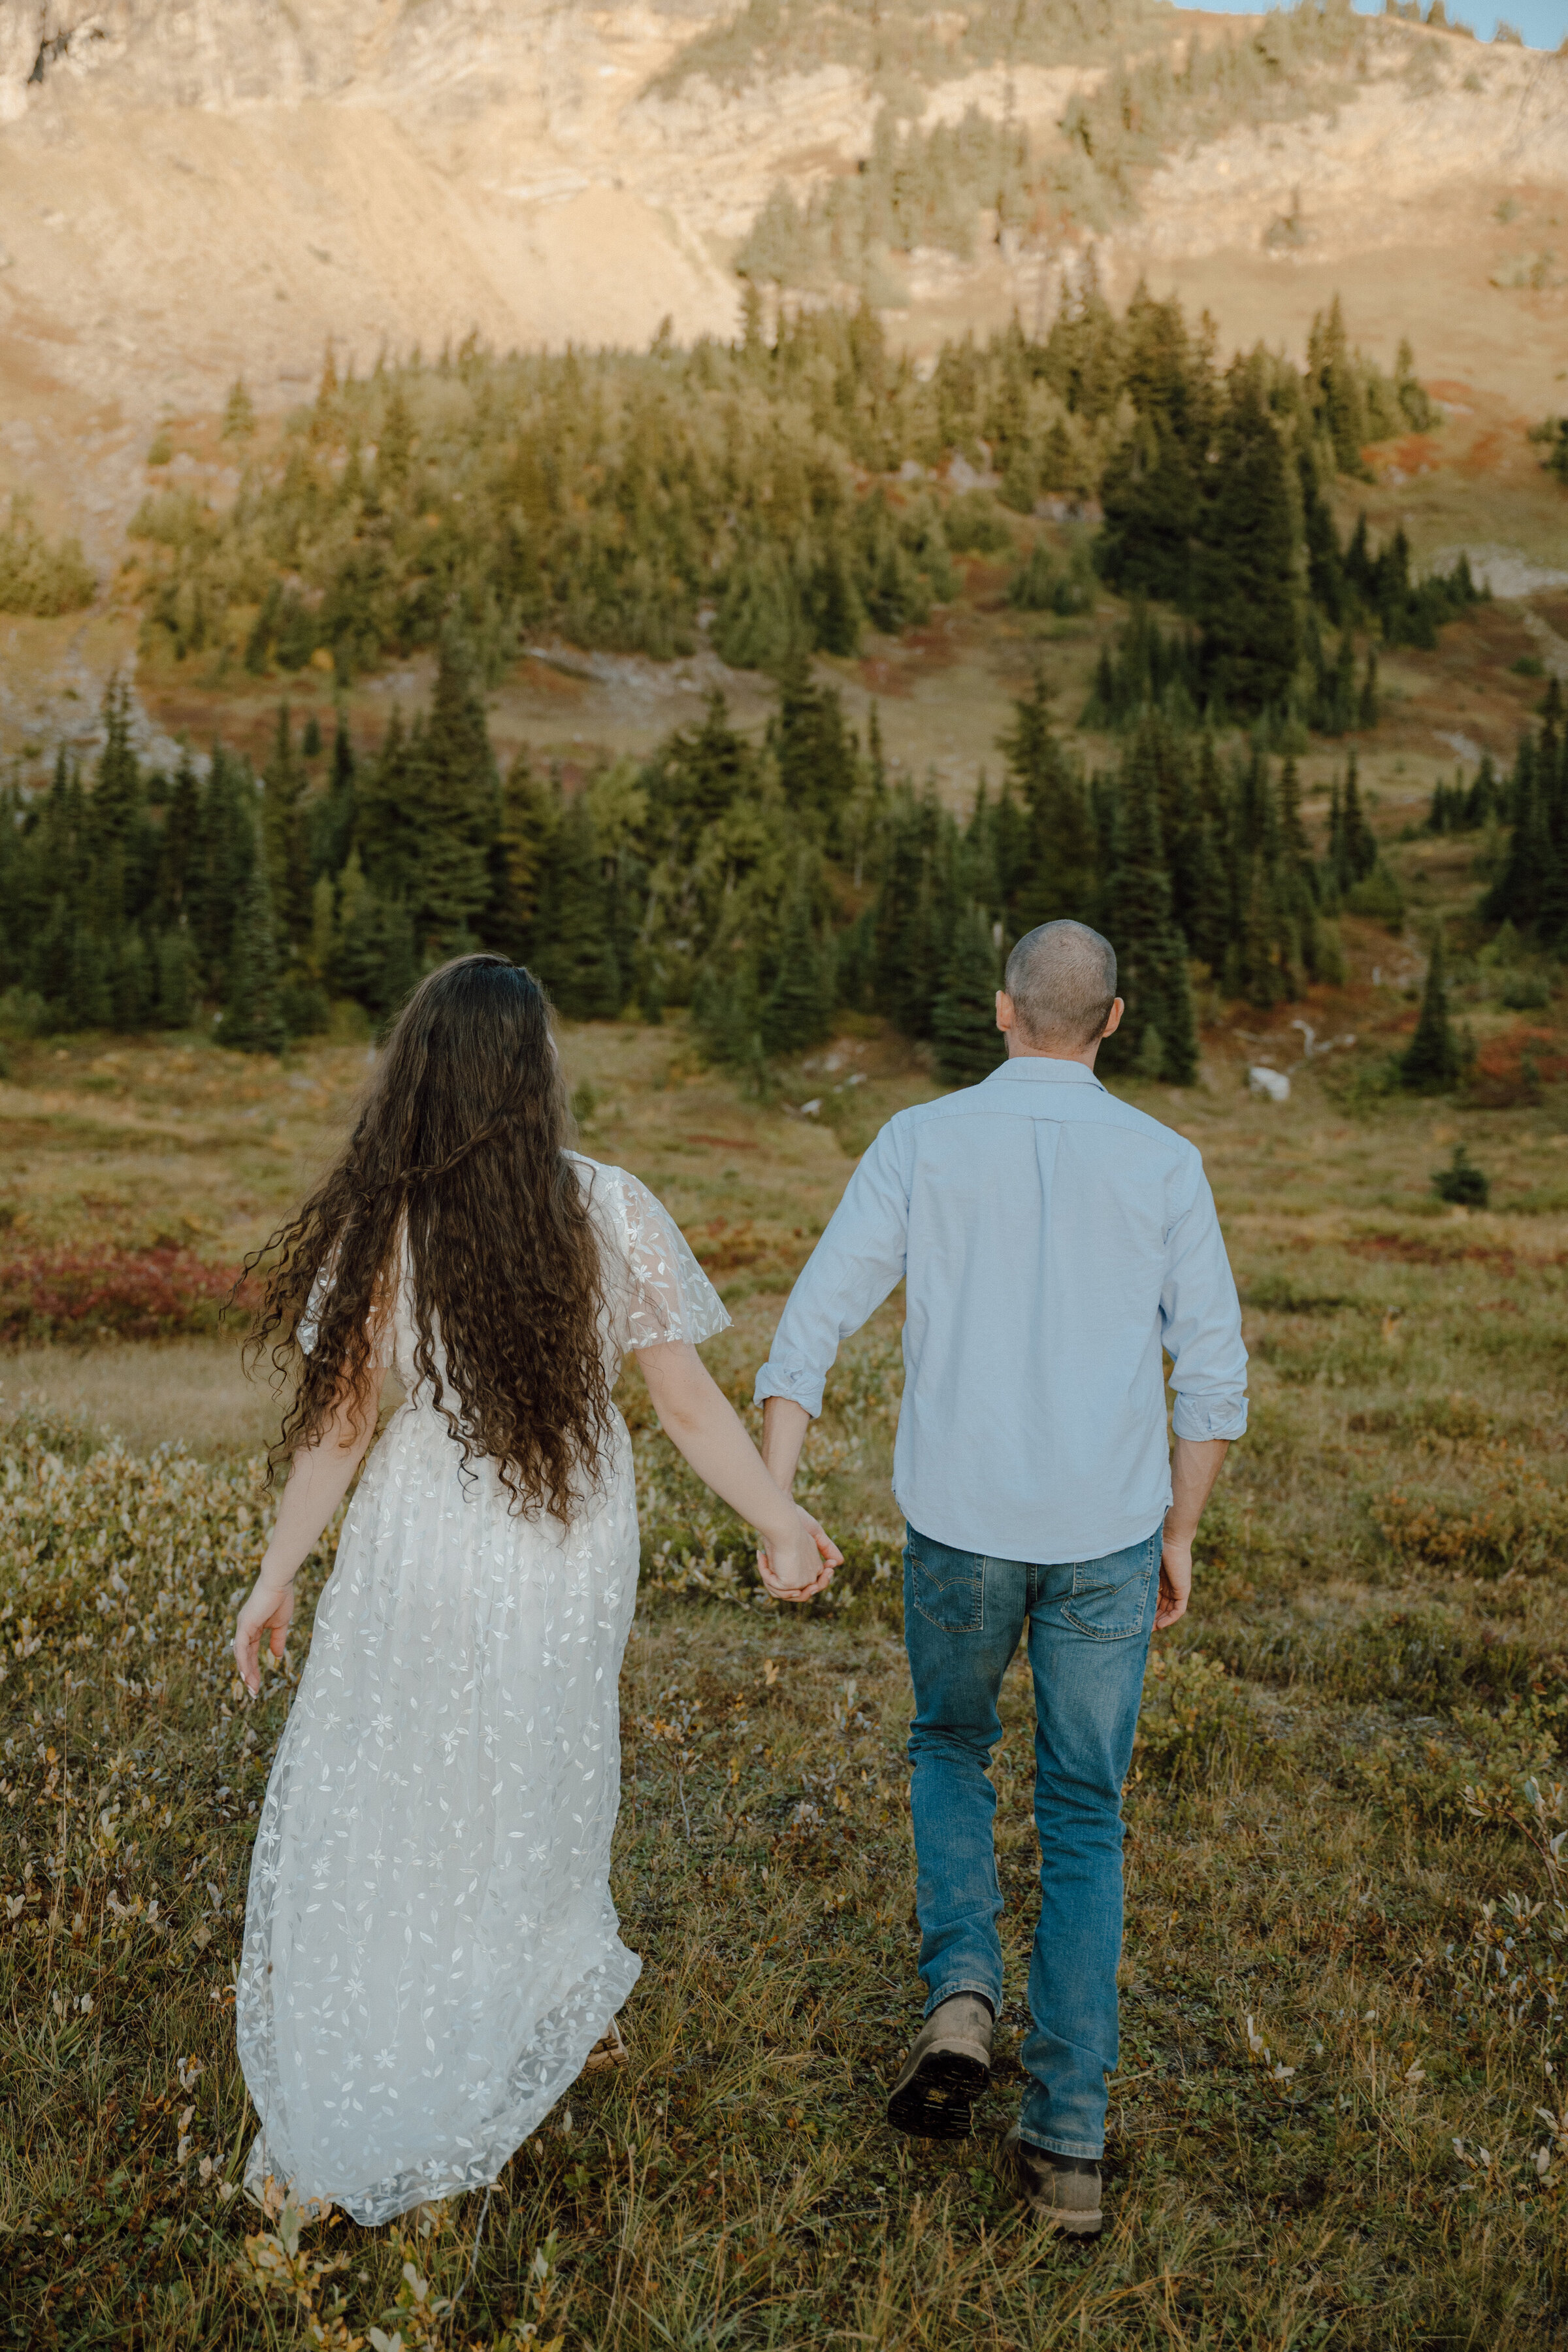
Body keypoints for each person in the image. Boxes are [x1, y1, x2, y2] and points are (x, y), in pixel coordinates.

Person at [231, 955, 836, 2225]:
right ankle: (509, 1990)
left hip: (427, 1536)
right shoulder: (608, 1209)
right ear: (536, 1073)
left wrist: (277, 1574)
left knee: (402, 1775)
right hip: (563, 1539)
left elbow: (340, 1430)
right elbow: (683, 1405)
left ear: (420, 1073)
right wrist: (777, 1515)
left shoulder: (384, 1219)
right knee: (533, 1765)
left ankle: (419, 2007)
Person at [754, 919, 1247, 2237]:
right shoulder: (1166, 1162)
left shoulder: (921, 1141)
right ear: (1116, 1022)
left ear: (1001, 1012)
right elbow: (1212, 1378)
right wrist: (1179, 1533)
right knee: (1085, 1814)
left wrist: (777, 1501)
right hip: (1106, 1540)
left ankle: (963, 1992)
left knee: (950, 1745)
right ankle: (1068, 2148)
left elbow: (811, 1325)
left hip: (961, 1533)